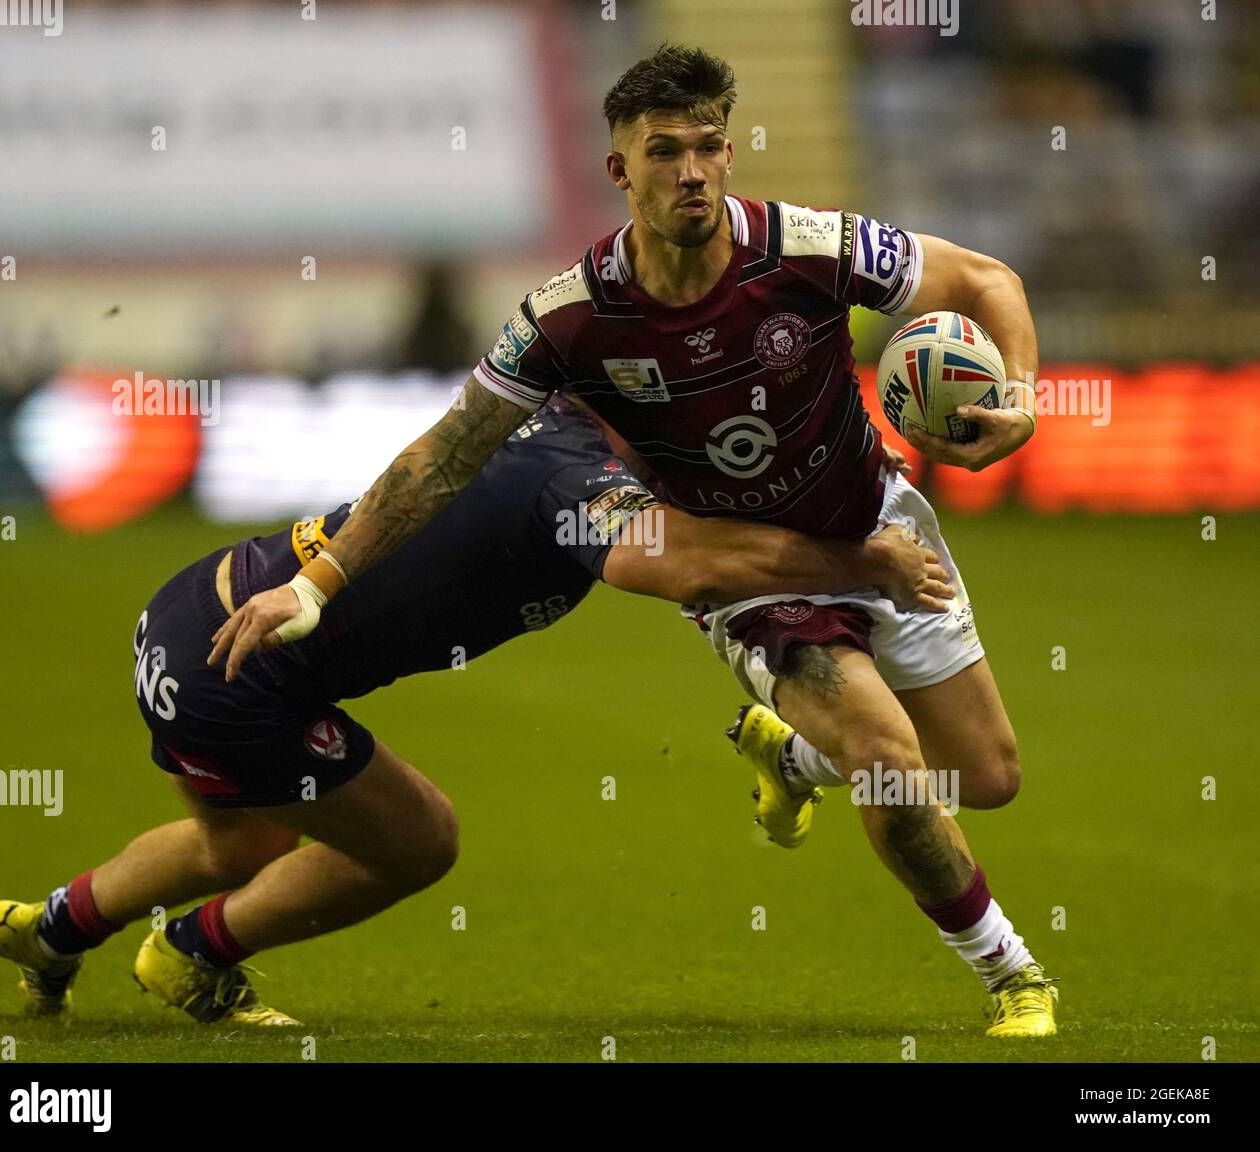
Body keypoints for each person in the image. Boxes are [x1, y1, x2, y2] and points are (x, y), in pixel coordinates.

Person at [204, 44, 1056, 1039]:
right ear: (620, 170)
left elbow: (985, 279)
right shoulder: (570, 317)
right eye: (663, 151)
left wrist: (1023, 397)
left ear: (729, 154)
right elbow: (445, 454)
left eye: (706, 148)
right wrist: (318, 580)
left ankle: (793, 763)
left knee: (987, 778)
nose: (689, 171)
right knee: (885, 753)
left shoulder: (809, 247)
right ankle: (1012, 975)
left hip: (876, 522)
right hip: (746, 569)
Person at [0, 394, 948, 1026]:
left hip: (191, 614)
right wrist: (856, 565)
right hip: (245, 679)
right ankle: (195, 951)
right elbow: (681, 561)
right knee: (420, 839)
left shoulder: (539, 425)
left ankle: (53, 929)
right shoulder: (577, 481)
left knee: (238, 847)